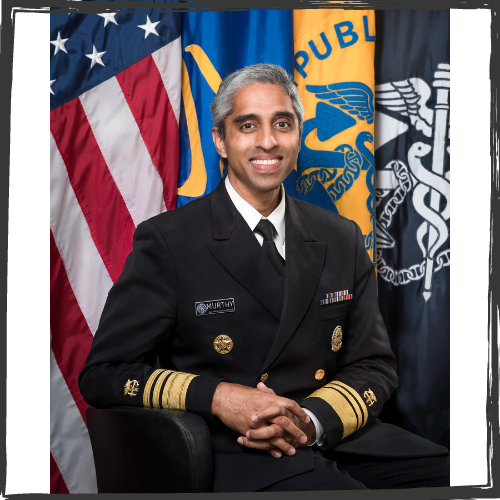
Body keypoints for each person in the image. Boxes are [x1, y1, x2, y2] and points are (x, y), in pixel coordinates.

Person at [79, 63, 449, 492]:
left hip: (330, 435)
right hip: (237, 450)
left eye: (283, 124)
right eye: (247, 125)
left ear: (298, 136)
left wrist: (310, 421)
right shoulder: (169, 241)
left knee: (457, 479)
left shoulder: (340, 236)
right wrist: (220, 396)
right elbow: (104, 373)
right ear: (220, 140)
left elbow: (374, 364)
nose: (268, 141)